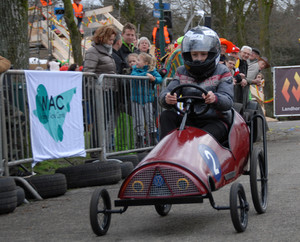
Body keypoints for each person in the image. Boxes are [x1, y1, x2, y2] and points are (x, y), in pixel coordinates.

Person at [159, 26, 233, 144]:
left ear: (211, 54)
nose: (199, 59)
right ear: (188, 55)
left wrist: (215, 98)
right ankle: (166, 152)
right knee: (166, 115)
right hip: (189, 118)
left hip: (215, 120)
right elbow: (166, 93)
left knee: (200, 140)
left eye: (203, 54)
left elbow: (228, 101)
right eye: (195, 55)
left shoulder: (223, 71)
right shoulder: (181, 71)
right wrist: (167, 98)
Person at [131, 53, 162, 146]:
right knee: (139, 120)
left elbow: (160, 78)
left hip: (148, 99)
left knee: (150, 119)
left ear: (145, 63)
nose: (136, 62)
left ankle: (153, 139)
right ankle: (139, 139)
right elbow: (134, 77)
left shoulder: (152, 70)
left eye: (138, 60)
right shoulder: (135, 70)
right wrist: (146, 75)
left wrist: (153, 79)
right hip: (136, 100)